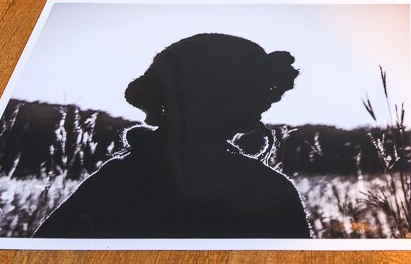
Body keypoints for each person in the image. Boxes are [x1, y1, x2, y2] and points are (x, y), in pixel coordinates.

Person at [34, 33, 309, 239]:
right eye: (254, 90)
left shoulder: (119, 176)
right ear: (213, 95)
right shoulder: (265, 187)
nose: (267, 101)